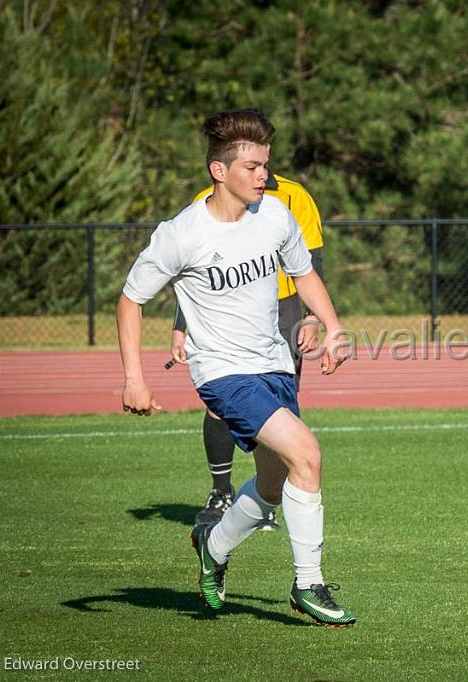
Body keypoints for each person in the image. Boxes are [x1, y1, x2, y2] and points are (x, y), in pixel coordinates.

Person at [117, 108, 356, 627]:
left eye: (265, 164)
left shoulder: (274, 215)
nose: (262, 175)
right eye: (250, 166)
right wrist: (134, 378)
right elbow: (131, 299)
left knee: (274, 485)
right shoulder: (181, 233)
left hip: (274, 363)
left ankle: (212, 545)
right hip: (222, 373)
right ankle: (308, 583)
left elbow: (304, 271)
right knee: (308, 455)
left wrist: (332, 324)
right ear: (218, 170)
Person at [174, 171, 326, 533]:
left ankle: (267, 495)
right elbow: (189, 271)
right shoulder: (203, 201)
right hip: (223, 311)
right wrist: (181, 326)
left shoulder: (294, 195)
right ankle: (220, 492)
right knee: (219, 404)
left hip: (285, 306)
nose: (259, 166)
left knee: (275, 406)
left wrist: (312, 317)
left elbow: (312, 260)